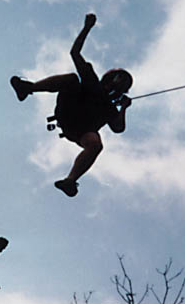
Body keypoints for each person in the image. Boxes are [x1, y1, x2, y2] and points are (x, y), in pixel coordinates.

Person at [10, 13, 132, 197]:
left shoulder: (109, 108)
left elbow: (118, 127)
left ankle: (70, 180)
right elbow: (75, 53)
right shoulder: (92, 81)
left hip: (79, 129)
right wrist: (87, 28)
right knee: (72, 79)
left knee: (95, 144)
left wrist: (123, 108)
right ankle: (29, 88)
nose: (113, 85)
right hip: (69, 110)